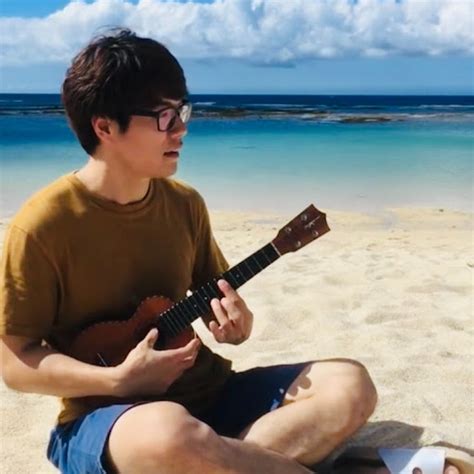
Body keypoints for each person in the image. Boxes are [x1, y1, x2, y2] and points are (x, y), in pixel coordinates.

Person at [0, 29, 378, 474]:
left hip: (209, 394)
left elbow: (216, 297)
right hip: (109, 419)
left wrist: (237, 325)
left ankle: (217, 460)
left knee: (351, 384)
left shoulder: (185, 204)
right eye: (164, 117)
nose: (181, 129)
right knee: (170, 434)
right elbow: (15, 362)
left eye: (182, 111)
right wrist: (116, 380)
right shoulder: (43, 225)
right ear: (105, 127)